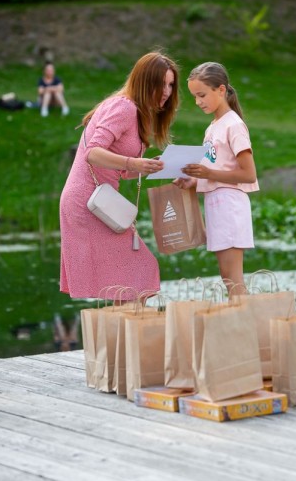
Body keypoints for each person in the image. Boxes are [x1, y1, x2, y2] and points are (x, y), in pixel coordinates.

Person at [60, 51, 179, 301]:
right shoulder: (124, 107)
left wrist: (149, 166)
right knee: (140, 271)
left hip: (101, 201)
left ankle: (120, 337)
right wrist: (133, 161)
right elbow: (92, 152)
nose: (167, 91)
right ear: (145, 82)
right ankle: (124, 337)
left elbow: (121, 171)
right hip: (88, 203)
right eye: (162, 84)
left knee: (127, 282)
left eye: (171, 84)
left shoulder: (138, 114)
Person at [174, 62, 259, 296]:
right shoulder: (212, 128)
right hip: (216, 205)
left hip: (230, 205)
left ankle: (242, 327)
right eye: (194, 97)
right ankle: (239, 326)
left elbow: (248, 174)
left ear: (221, 90)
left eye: (202, 95)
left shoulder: (234, 125)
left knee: (232, 278)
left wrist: (208, 174)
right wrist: (193, 180)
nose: (198, 102)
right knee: (226, 276)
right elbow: (216, 169)